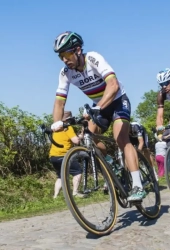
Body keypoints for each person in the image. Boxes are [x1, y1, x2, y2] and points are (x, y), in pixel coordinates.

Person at [51, 31, 146, 201]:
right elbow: (59, 102)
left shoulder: (93, 58)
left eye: (66, 54)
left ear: (78, 50)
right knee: (89, 136)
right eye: (61, 57)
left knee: (120, 138)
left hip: (117, 100)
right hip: (100, 105)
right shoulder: (66, 73)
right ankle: (112, 163)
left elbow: (113, 84)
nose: (64, 60)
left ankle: (138, 185)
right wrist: (56, 124)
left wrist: (98, 107)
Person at [49, 111, 83, 198]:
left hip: (53, 156)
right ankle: (75, 192)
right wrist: (80, 136)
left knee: (61, 176)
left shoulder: (55, 129)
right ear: (68, 120)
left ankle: (55, 196)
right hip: (64, 155)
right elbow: (76, 141)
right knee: (77, 172)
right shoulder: (67, 128)